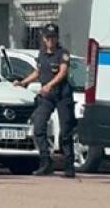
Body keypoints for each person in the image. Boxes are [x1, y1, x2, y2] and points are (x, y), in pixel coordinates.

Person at [14, 23, 76, 178]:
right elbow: (38, 71)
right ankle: (45, 163)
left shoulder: (63, 54)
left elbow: (62, 72)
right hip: (47, 97)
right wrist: (23, 82)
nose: (50, 41)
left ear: (57, 38)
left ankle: (69, 166)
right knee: (39, 127)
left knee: (65, 131)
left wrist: (49, 85)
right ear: (43, 38)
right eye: (48, 37)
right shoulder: (42, 54)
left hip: (62, 95)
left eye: (53, 37)